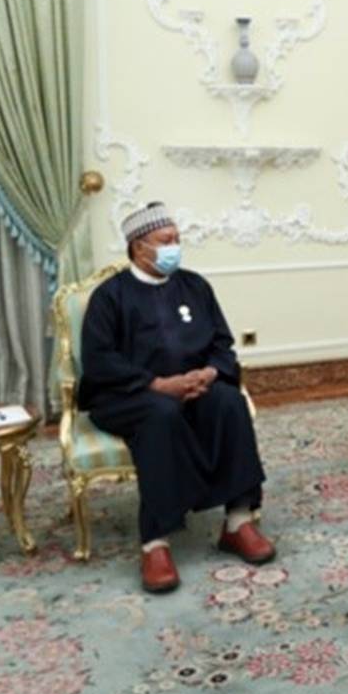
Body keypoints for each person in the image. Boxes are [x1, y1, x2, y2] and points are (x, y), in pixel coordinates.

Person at [79, 203, 275, 594]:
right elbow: (100, 361)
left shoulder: (195, 286)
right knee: (161, 414)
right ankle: (155, 542)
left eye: (177, 239)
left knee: (229, 403)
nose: (175, 247)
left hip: (194, 387)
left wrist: (210, 373)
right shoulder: (109, 296)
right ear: (139, 247)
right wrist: (155, 384)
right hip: (129, 394)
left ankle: (238, 521)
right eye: (165, 241)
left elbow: (222, 343)